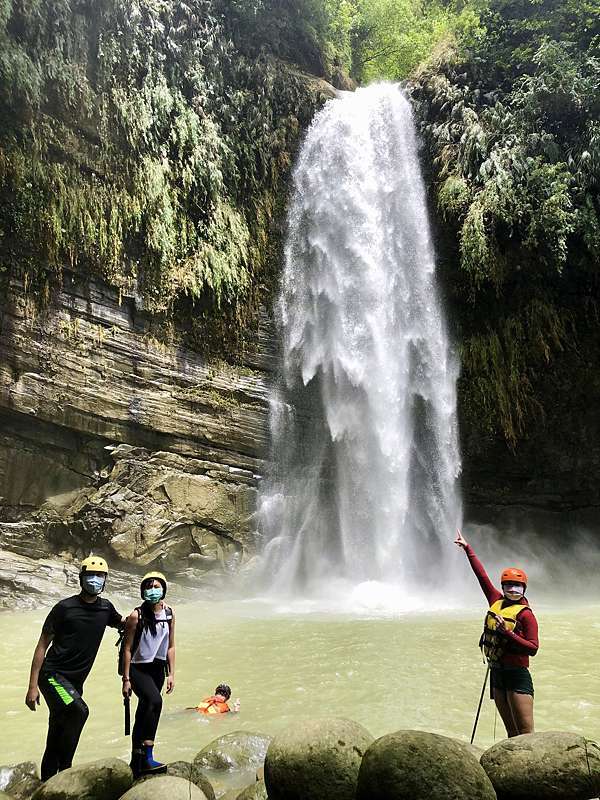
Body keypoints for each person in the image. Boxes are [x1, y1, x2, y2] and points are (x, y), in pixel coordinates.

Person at [25, 556, 124, 780]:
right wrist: (32, 686)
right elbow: (42, 645)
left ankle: (48, 782)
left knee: (58, 726)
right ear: (81, 578)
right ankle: (66, 770)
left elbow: (125, 624)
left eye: (100, 576)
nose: (95, 580)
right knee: (80, 711)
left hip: (74, 683)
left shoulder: (106, 609)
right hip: (52, 676)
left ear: (106, 580)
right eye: (90, 575)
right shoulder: (64, 608)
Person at [454, 530, 539, 737]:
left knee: (525, 733)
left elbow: (533, 648)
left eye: (517, 585)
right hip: (497, 672)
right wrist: (468, 548)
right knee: (511, 732)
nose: (513, 588)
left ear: (524, 588)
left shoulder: (526, 615)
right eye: (509, 584)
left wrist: (506, 633)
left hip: (517, 674)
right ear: (503, 586)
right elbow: (481, 576)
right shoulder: (495, 600)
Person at [121, 571, 175, 778]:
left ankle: (137, 759)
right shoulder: (137, 615)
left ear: (163, 589)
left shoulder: (169, 613)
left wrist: (171, 674)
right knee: (155, 701)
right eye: (149, 587)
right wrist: (126, 679)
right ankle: (148, 756)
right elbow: (127, 648)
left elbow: (171, 646)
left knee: (144, 710)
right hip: (138, 668)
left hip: (157, 668)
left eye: (156, 586)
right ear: (143, 591)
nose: (153, 591)